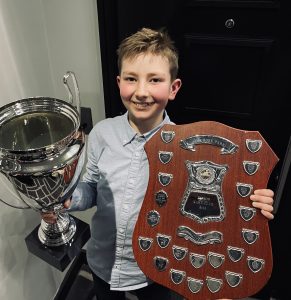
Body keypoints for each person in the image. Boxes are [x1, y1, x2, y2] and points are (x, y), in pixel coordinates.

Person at [42, 28, 275, 300]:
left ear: (173, 88)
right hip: (103, 262)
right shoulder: (102, 134)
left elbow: (210, 206)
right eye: (131, 79)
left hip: (161, 269)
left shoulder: (192, 151)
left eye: (155, 80)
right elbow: (91, 189)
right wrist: (67, 198)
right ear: (119, 83)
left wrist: (249, 202)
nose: (141, 92)